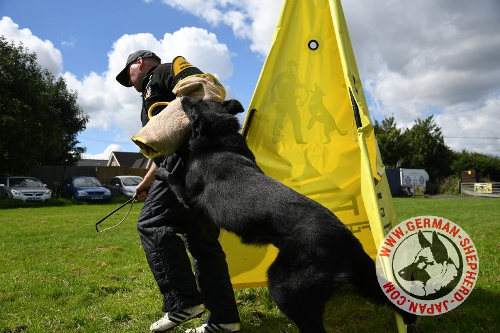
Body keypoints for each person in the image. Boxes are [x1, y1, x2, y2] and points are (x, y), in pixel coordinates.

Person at [116, 50, 240, 333]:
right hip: (200, 166)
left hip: (184, 166)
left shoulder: (161, 72)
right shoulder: (153, 92)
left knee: (152, 223)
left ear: (140, 63)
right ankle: (224, 320)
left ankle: (182, 301)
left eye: (129, 74)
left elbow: (196, 82)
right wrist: (147, 182)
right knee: (203, 244)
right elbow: (164, 150)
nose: (130, 81)